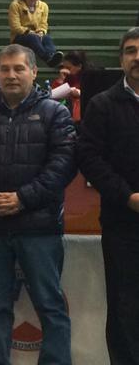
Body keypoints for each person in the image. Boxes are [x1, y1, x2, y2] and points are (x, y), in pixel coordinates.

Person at [0, 44, 75, 365]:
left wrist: (23, 199)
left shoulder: (55, 113)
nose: (10, 75)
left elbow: (63, 165)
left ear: (34, 72)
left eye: (18, 69)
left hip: (40, 228)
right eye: (5, 69)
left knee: (50, 305)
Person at [78, 27, 139, 364]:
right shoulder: (103, 105)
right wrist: (127, 196)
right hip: (123, 224)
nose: (137, 57)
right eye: (130, 51)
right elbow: (89, 158)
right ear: (121, 59)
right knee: (125, 305)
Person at [9, 0, 63, 67]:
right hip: (20, 37)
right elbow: (15, 26)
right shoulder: (15, 5)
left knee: (47, 38)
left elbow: (43, 24)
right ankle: (47, 58)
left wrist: (41, 31)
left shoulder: (44, 6)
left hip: (37, 35)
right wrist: (30, 32)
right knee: (33, 37)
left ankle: (51, 56)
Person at [50, 50, 88, 121]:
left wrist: (80, 94)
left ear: (79, 66)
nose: (65, 70)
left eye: (68, 68)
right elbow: (52, 95)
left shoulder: (88, 77)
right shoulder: (65, 76)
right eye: (64, 67)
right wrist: (60, 80)